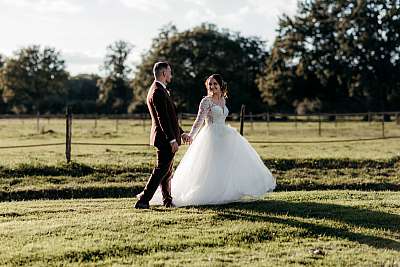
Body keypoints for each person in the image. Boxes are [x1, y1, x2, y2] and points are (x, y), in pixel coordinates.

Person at [150, 74, 276, 206]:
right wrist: (191, 135)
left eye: (215, 83)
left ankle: (225, 192)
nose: (212, 86)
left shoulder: (223, 100)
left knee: (225, 165)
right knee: (210, 165)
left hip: (226, 136)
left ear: (221, 85)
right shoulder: (206, 101)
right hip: (210, 136)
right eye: (210, 84)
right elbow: (199, 120)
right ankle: (208, 193)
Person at [134, 61, 191, 209]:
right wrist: (172, 139)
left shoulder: (159, 89)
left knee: (166, 171)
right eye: (170, 72)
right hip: (165, 138)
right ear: (164, 73)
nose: (171, 75)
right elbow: (163, 119)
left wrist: (182, 133)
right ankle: (143, 199)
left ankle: (167, 200)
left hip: (165, 137)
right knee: (161, 170)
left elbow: (170, 118)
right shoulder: (158, 91)